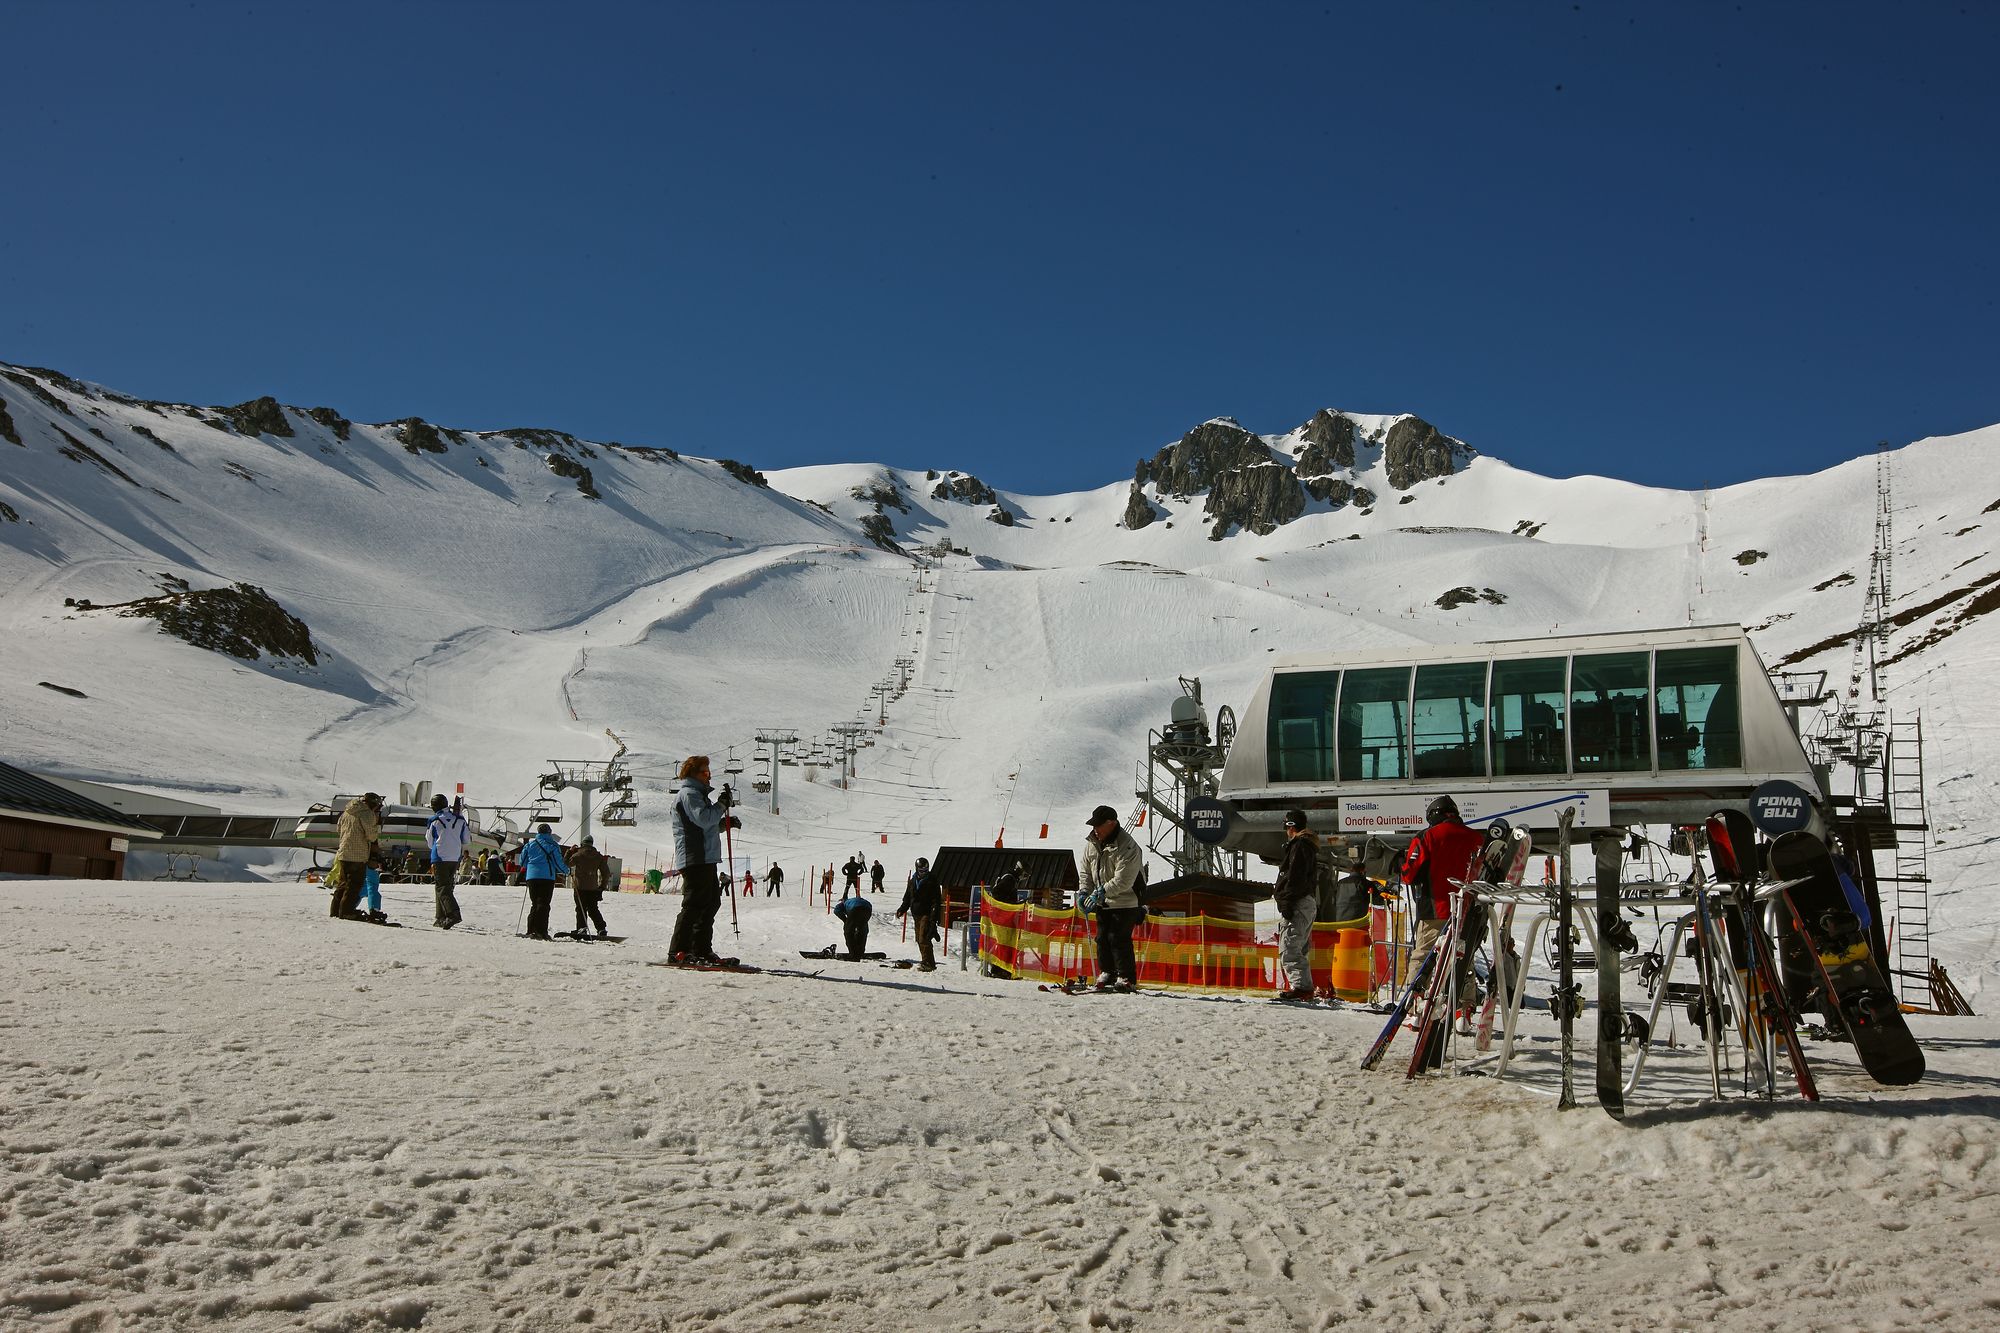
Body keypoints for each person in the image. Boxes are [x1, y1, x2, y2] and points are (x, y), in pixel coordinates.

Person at [1399, 794, 1490, 1010]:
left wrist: (1400, 864)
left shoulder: (1427, 836)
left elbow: (1409, 875)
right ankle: (1464, 1008)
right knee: (1463, 959)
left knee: (1423, 957)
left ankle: (1414, 1005)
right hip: (1468, 911)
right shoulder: (1477, 838)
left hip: (1435, 909)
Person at [669, 754, 739, 964]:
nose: (709, 776)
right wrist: (721, 805)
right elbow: (704, 818)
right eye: (705, 772)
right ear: (694, 774)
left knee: (711, 902)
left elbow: (705, 827)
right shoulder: (689, 794)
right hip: (695, 856)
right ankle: (678, 950)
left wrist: (724, 824)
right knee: (695, 903)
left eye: (709, 772)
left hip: (705, 857)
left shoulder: (698, 795)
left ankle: (700, 949)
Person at [1080, 804, 1145, 992]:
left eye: (1099, 825)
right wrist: (1084, 892)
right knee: (1102, 938)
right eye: (1094, 825)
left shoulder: (1127, 846)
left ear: (1112, 823)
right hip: (1103, 901)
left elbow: (1124, 880)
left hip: (1126, 900)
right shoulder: (1092, 844)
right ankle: (1107, 972)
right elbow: (1085, 872)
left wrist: (1100, 892)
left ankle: (1126, 977)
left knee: (1117, 937)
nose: (1095, 829)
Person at [1273, 809, 1322, 1001]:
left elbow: (1295, 876)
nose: (1286, 831)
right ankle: (1302, 986)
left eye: (1286, 827)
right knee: (1298, 947)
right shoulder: (1306, 846)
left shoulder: (1299, 846)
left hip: (1298, 902)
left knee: (1289, 947)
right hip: (1304, 901)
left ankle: (1302, 988)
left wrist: (1287, 901)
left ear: (1291, 826)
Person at [331, 792, 382, 919]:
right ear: (373, 804)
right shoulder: (367, 813)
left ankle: (335, 910)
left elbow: (338, 829)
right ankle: (347, 912)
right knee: (354, 885)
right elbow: (371, 836)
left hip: (343, 853)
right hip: (357, 855)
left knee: (343, 883)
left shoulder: (347, 812)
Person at [425, 794, 470, 929]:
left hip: (439, 856)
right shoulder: (460, 819)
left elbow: (429, 842)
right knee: (446, 887)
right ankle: (440, 917)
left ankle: (452, 913)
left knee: (442, 887)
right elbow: (466, 839)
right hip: (455, 857)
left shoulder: (434, 820)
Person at [520, 822, 569, 940]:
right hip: (547, 877)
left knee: (535, 903)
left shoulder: (530, 845)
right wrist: (567, 871)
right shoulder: (552, 845)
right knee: (543, 904)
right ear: (549, 832)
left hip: (532, 877)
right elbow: (558, 862)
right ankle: (541, 931)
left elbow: (523, 862)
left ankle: (531, 930)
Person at [896, 856, 943, 970]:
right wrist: (902, 909)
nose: (923, 873)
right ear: (917, 869)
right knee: (919, 939)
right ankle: (925, 961)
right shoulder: (913, 881)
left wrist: (933, 919)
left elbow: (936, 902)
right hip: (916, 914)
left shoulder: (932, 881)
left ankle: (929, 963)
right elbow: (908, 898)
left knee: (923, 938)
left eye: (925, 871)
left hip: (927, 913)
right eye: (921, 871)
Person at [570, 834, 611, 937]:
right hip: (593, 888)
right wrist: (602, 887)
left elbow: (566, 864)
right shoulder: (598, 856)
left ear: (582, 844)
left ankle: (582, 928)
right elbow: (606, 873)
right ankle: (601, 928)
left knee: (581, 908)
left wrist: (570, 852)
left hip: (580, 887)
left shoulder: (578, 855)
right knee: (593, 909)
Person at [833, 888, 873, 961]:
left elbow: (836, 910)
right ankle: (860, 952)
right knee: (862, 931)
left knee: (848, 932)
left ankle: (853, 954)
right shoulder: (853, 901)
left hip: (855, 909)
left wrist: (845, 920)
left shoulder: (844, 903)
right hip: (867, 910)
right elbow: (865, 930)